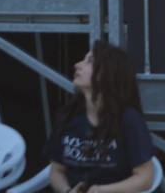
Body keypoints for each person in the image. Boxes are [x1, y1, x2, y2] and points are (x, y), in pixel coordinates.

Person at [46, 40, 155, 193]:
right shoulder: (68, 116)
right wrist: (67, 191)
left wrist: (102, 190)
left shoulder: (129, 119)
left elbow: (145, 178)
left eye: (89, 61)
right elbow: (56, 171)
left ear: (108, 72)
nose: (77, 64)